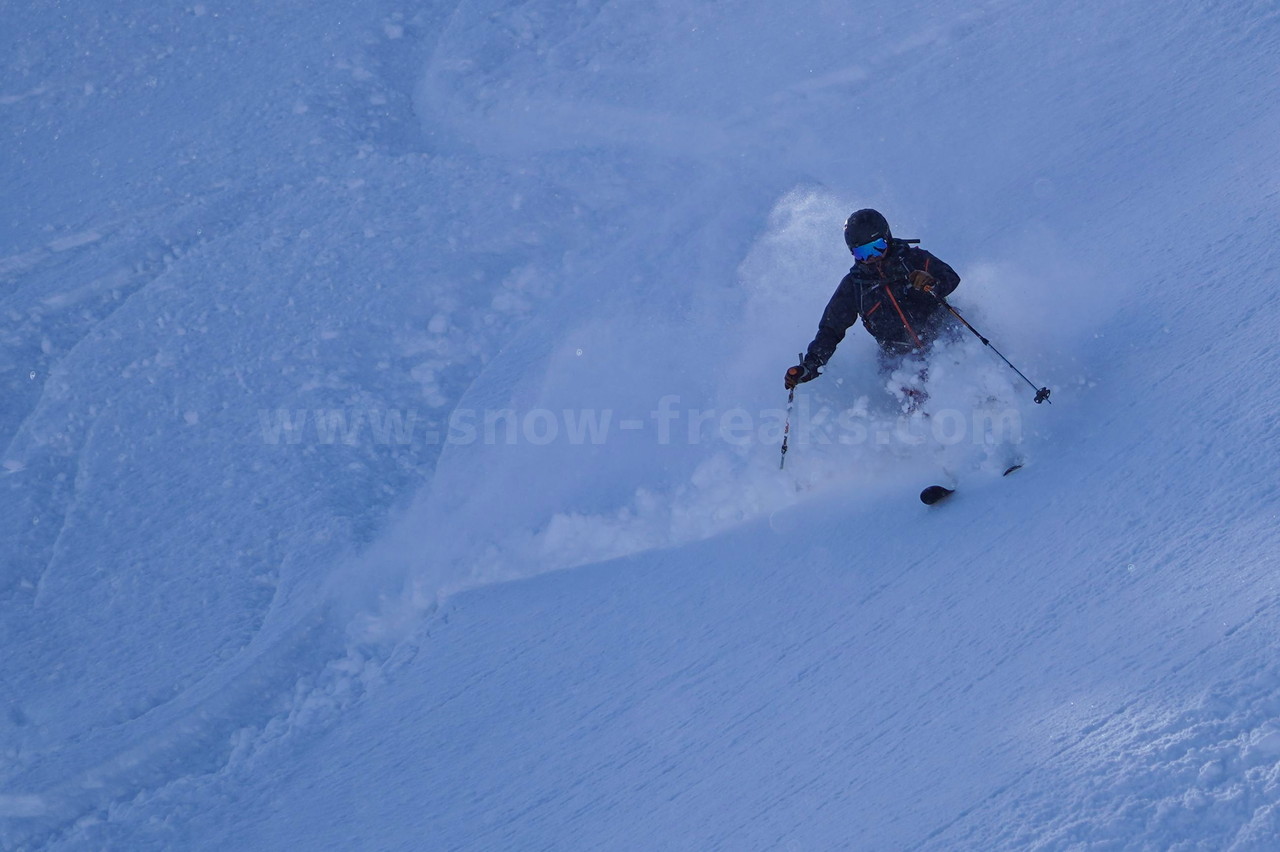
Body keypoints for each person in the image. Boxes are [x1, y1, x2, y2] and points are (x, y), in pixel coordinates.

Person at [785, 209, 961, 402]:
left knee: (961, 372)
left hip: (943, 335)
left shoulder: (915, 259)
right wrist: (810, 366)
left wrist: (933, 283)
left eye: (876, 247)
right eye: (862, 253)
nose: (870, 257)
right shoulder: (855, 286)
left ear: (887, 237)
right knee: (918, 402)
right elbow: (830, 329)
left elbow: (951, 278)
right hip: (902, 359)